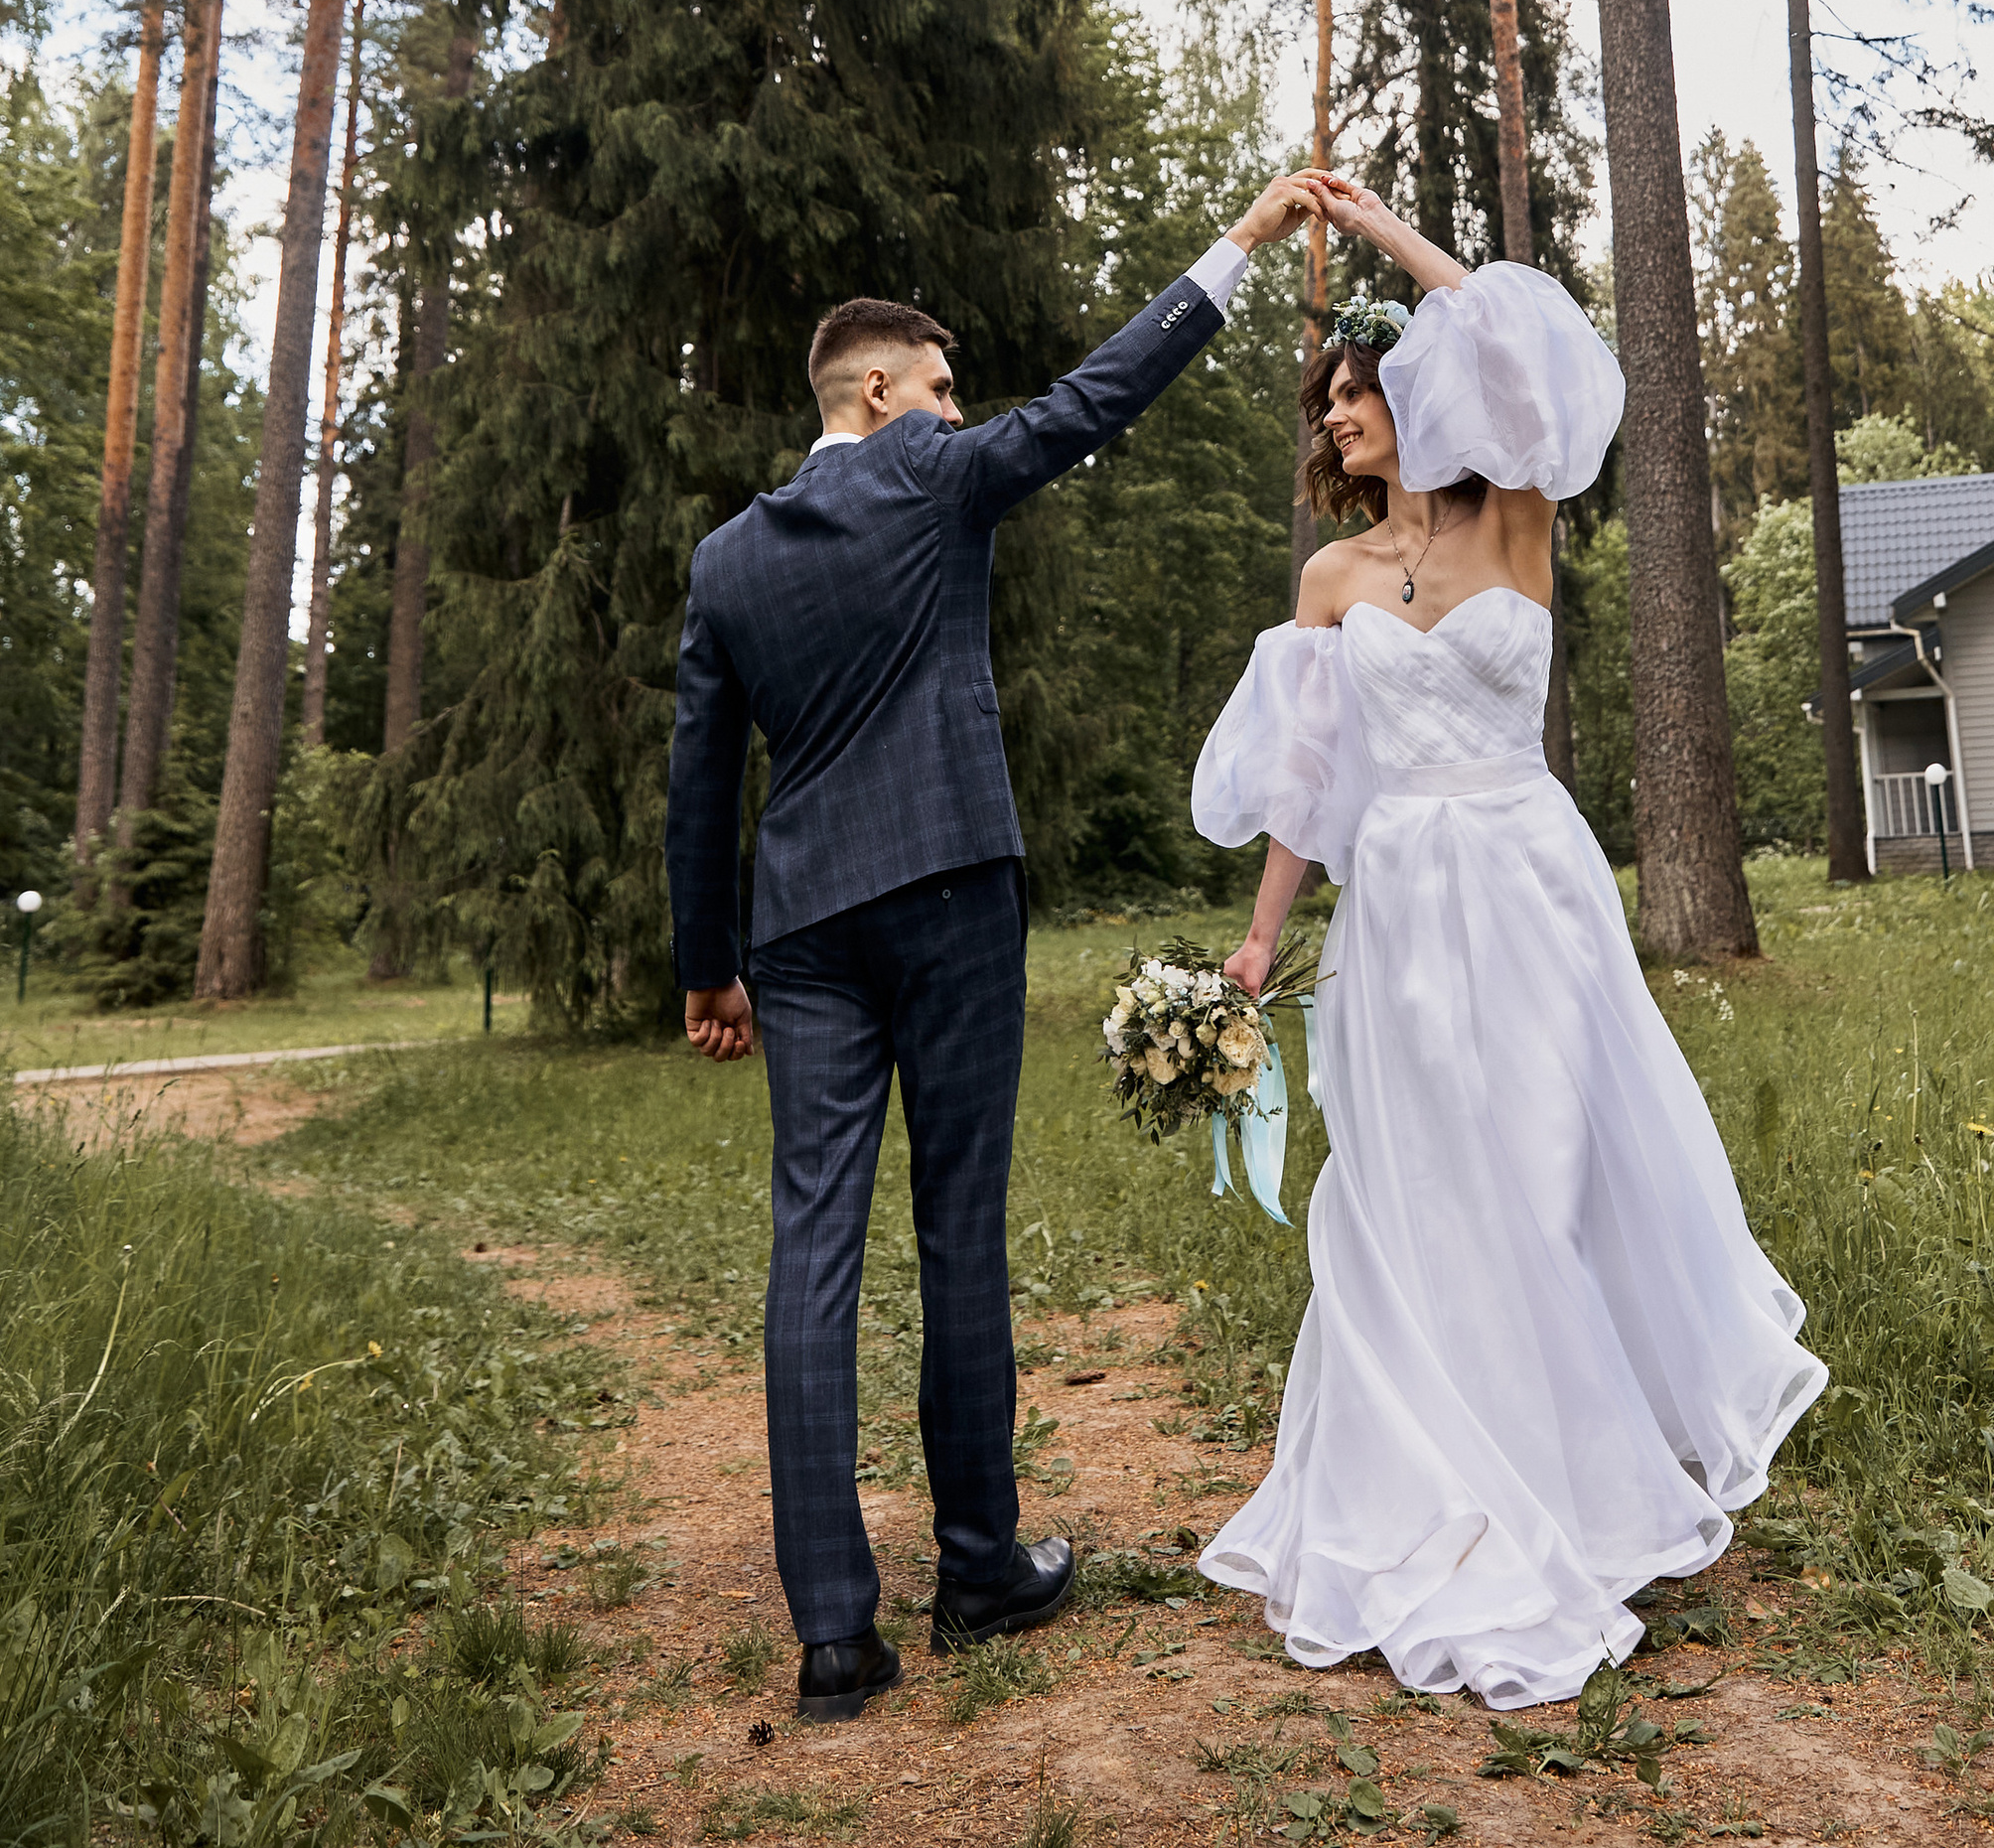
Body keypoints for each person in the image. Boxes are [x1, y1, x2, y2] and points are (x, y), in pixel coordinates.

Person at [667, 176, 1319, 1721]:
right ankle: (977, 1567)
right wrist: (1239, 245)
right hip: (952, 892)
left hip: (802, 929)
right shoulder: (931, 477)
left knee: (811, 1248)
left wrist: (708, 964)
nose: (961, 411)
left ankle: (834, 1634)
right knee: (960, 1226)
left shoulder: (727, 561)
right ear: (877, 394)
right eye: (943, 387)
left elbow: (699, 780)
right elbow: (1096, 400)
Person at [1193, 170, 1827, 1708]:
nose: (1338, 417)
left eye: (1357, 392)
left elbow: (1517, 338)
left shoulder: (1520, 519)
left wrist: (1381, 235)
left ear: (1418, 397)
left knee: (1542, 1170)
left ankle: (1576, 1469)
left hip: (1531, 885)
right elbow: (1307, 780)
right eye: (1328, 404)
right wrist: (1263, 941)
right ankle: (1434, 1475)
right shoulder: (1332, 580)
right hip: (1399, 904)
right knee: (1418, 1186)